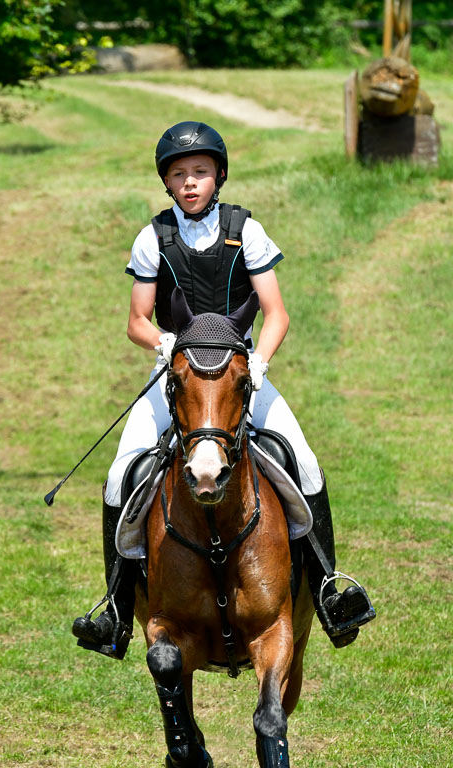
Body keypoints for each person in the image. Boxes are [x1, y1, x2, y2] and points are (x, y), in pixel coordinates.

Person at [72, 121, 375, 658]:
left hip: (241, 375)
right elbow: (136, 320)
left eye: (201, 172)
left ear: (219, 175)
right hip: (177, 376)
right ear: (167, 182)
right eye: (179, 174)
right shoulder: (153, 238)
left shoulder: (246, 232)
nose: (190, 182)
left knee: (302, 463)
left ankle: (329, 588)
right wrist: (165, 345)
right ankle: (116, 610)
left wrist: (259, 362)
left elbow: (277, 313)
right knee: (123, 473)